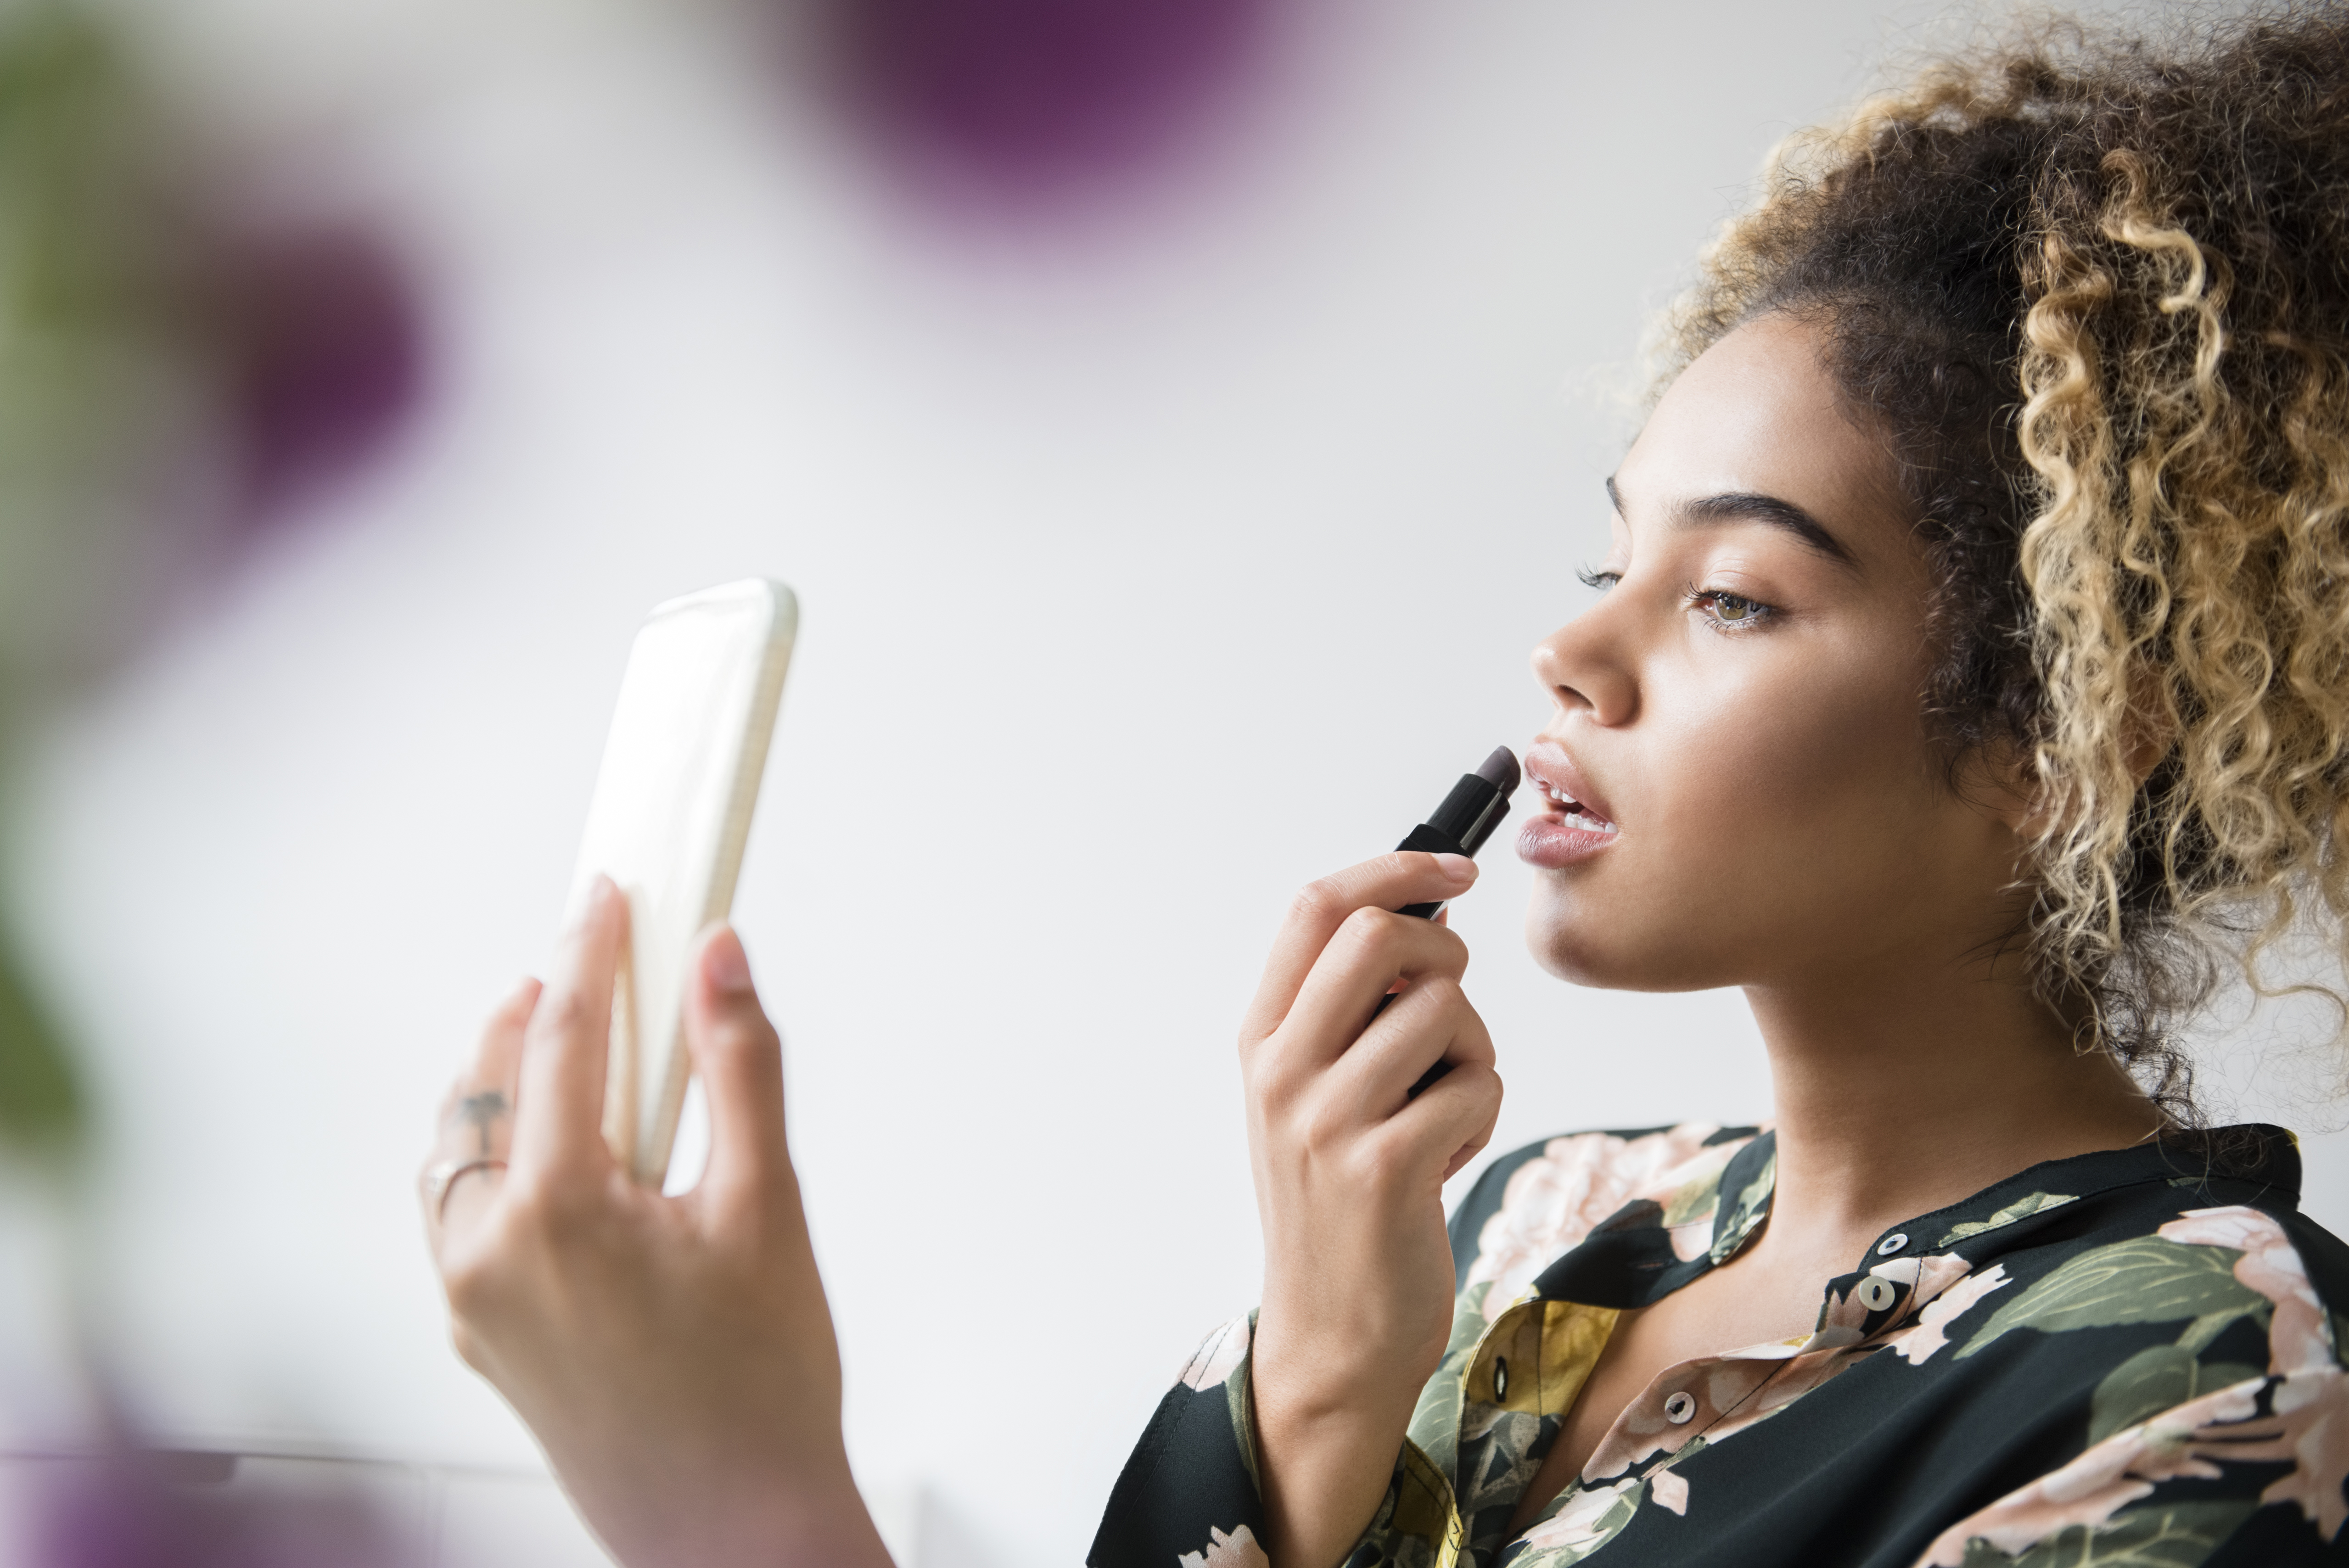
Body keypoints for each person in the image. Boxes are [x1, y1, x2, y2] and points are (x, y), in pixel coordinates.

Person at [420, 7, 2349, 1565]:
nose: (1570, 657)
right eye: (1610, 568)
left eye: (1733, 594)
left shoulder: (2222, 1377)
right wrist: (1323, 1363)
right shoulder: (1532, 1228)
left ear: (2069, 735)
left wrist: (735, 1514)